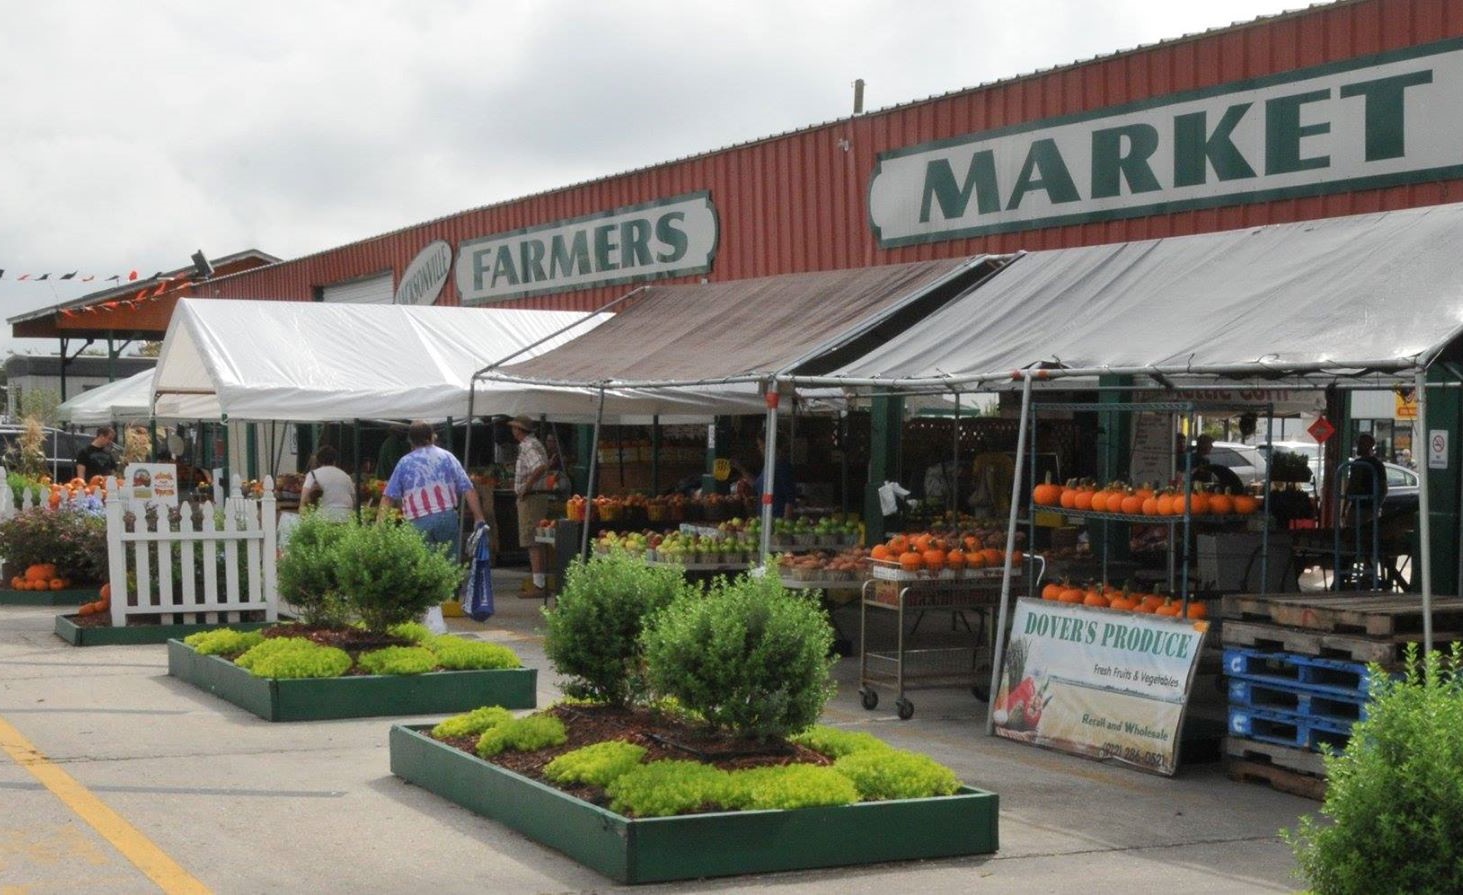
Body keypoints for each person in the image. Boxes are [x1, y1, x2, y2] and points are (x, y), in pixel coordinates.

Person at [378, 421, 486, 550]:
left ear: (410, 440)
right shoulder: (447, 457)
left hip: (417, 520)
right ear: (432, 436)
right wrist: (479, 518)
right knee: (449, 564)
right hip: (446, 517)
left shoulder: (404, 463)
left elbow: (388, 497)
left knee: (423, 566)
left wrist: (379, 527)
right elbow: (468, 489)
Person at [509, 416, 553, 597]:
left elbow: (540, 466)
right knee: (535, 540)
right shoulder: (533, 444)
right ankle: (539, 582)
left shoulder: (528, 446)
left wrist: (526, 486)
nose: (512, 431)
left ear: (519, 430)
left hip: (532, 497)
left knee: (532, 540)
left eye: (514, 428)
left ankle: (539, 586)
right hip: (534, 496)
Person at [300, 445, 355, 522]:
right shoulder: (346, 476)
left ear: (318, 460)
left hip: (323, 518)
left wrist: (302, 518)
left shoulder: (313, 475)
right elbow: (353, 499)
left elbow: (303, 499)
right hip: (345, 518)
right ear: (334, 461)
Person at [1344, 433, 1388, 523]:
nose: (1358, 446)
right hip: (1360, 507)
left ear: (1369, 445)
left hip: (1364, 508)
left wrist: (1375, 507)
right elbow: (1352, 485)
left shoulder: (1375, 464)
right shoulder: (1375, 464)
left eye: (1360, 444)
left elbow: (1383, 488)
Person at [752, 431, 795, 519]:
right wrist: (740, 468)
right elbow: (756, 485)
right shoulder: (768, 465)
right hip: (763, 518)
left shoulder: (782, 466)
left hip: (776, 518)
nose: (759, 448)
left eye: (760, 445)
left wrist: (785, 522)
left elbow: (790, 498)